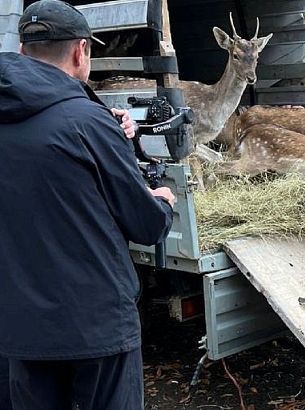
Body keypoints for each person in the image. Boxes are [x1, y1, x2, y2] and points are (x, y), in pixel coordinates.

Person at [0, 1, 176, 409]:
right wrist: (161, 201)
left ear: (24, 51)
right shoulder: (87, 122)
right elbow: (145, 225)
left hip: (20, 325)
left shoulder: (84, 120)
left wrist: (116, 137)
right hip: (95, 326)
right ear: (81, 51)